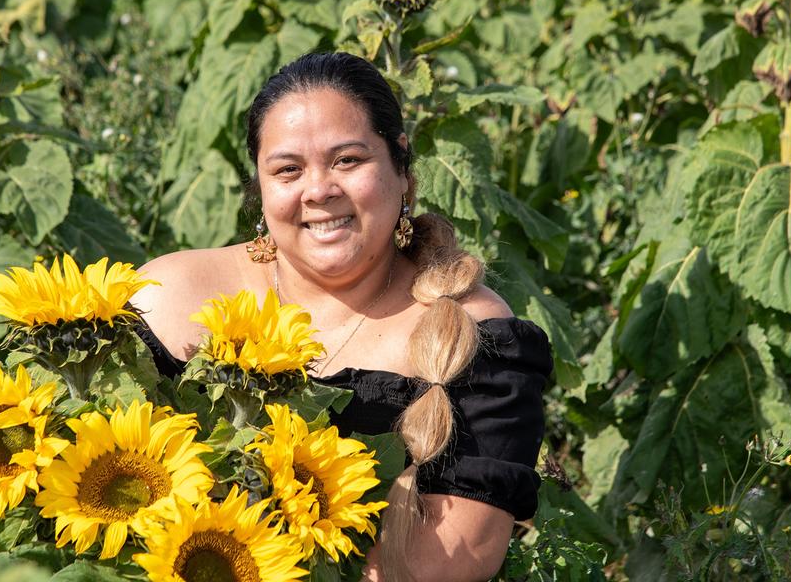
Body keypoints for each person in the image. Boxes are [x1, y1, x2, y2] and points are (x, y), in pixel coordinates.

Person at [130, 51, 552, 581]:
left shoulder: (472, 332)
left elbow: (442, 568)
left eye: (348, 160)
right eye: (287, 169)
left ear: (402, 166)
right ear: (259, 188)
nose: (319, 190)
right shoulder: (170, 295)